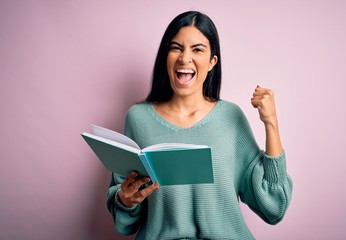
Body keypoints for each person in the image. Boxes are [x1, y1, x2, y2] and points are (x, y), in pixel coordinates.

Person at [106, 11, 293, 239]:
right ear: (166, 56)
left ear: (212, 61)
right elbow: (124, 222)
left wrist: (271, 122)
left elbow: (274, 207)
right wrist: (125, 199)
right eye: (176, 48)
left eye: (197, 49)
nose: (184, 58)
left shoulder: (230, 118)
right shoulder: (138, 119)